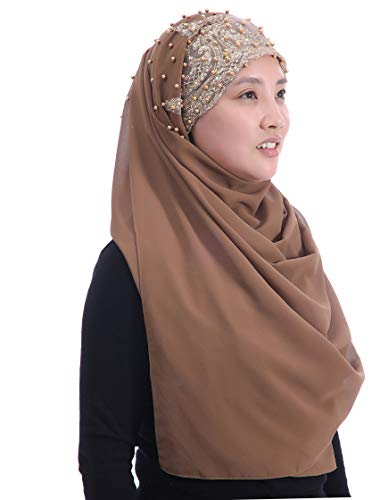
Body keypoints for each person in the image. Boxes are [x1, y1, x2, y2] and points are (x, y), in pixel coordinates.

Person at [78, 9, 366, 500]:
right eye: (247, 95)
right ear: (183, 116)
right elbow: (104, 459)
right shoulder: (136, 263)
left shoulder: (289, 240)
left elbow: (316, 419)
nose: (276, 117)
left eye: (280, 93)